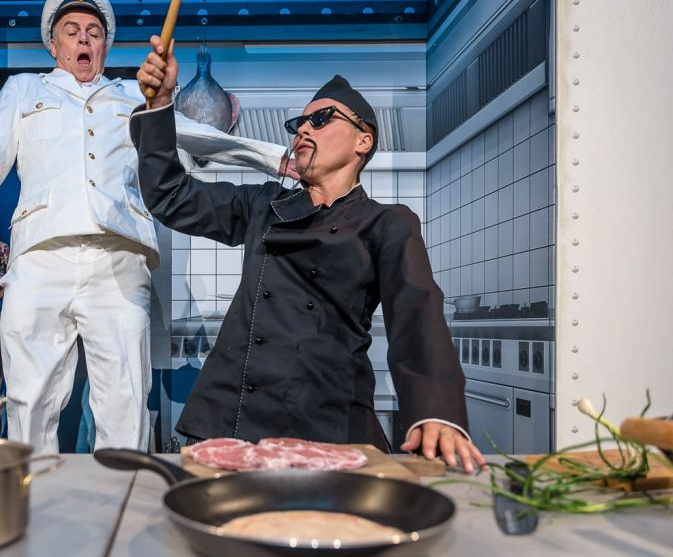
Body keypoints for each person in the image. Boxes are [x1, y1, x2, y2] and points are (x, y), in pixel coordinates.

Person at [0, 0, 291, 454]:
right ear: (54, 45)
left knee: (125, 399)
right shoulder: (24, 89)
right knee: (29, 399)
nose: (84, 38)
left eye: (94, 32)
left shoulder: (132, 95)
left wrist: (274, 158)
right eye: (72, 31)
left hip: (118, 257)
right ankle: (31, 494)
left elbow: (195, 134)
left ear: (104, 46)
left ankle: (126, 494)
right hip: (40, 257)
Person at [132, 36, 486, 472]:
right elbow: (170, 195)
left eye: (320, 119)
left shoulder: (386, 222)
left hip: (326, 424)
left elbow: (416, 309)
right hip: (231, 422)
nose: (303, 130)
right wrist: (160, 105)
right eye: (300, 123)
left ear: (363, 140)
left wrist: (437, 410)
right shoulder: (263, 205)